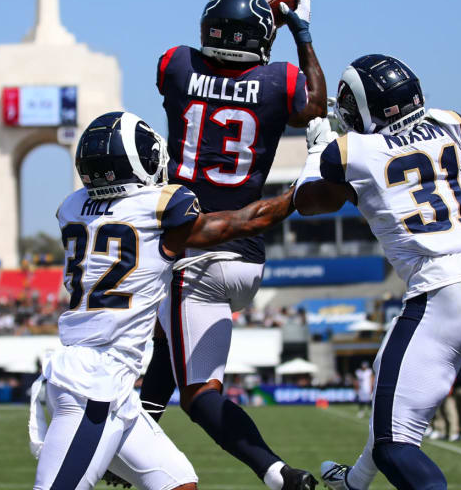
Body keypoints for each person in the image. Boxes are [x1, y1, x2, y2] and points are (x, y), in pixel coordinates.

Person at [32, 112, 295, 490]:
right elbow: (240, 223)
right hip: (95, 384)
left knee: (178, 483)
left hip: (106, 382)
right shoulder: (159, 206)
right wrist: (295, 196)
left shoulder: (71, 207)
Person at [294, 54, 461, 490]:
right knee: (389, 392)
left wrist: (317, 149)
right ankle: (354, 482)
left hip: (442, 295)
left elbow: (307, 201)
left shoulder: (352, 151)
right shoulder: (449, 123)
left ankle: (360, 480)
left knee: (394, 444)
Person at [139, 0, 326, 490]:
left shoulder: (176, 64)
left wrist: (242, 18)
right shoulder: (279, 79)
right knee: (164, 337)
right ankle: (138, 432)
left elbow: (196, 67)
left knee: (200, 395)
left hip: (193, 250)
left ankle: (275, 472)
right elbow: (315, 103)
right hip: (247, 258)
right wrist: (300, 32)